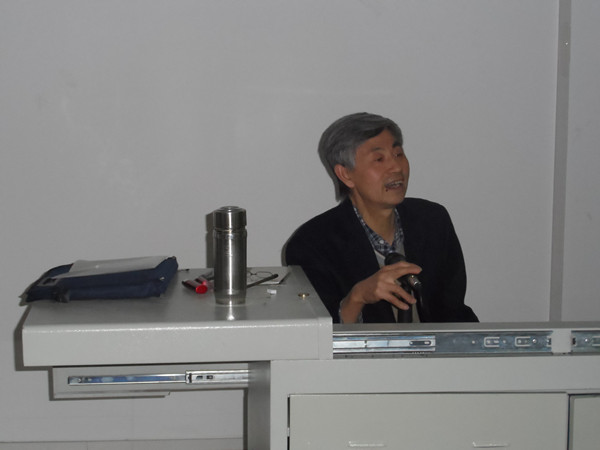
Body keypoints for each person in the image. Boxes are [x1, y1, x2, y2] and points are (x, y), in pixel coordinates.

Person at [285, 112, 478, 323]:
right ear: (346, 174)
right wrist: (357, 297)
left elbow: (454, 312)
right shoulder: (312, 244)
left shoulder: (432, 221)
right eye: (379, 159)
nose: (396, 167)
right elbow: (315, 334)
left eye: (398, 154)